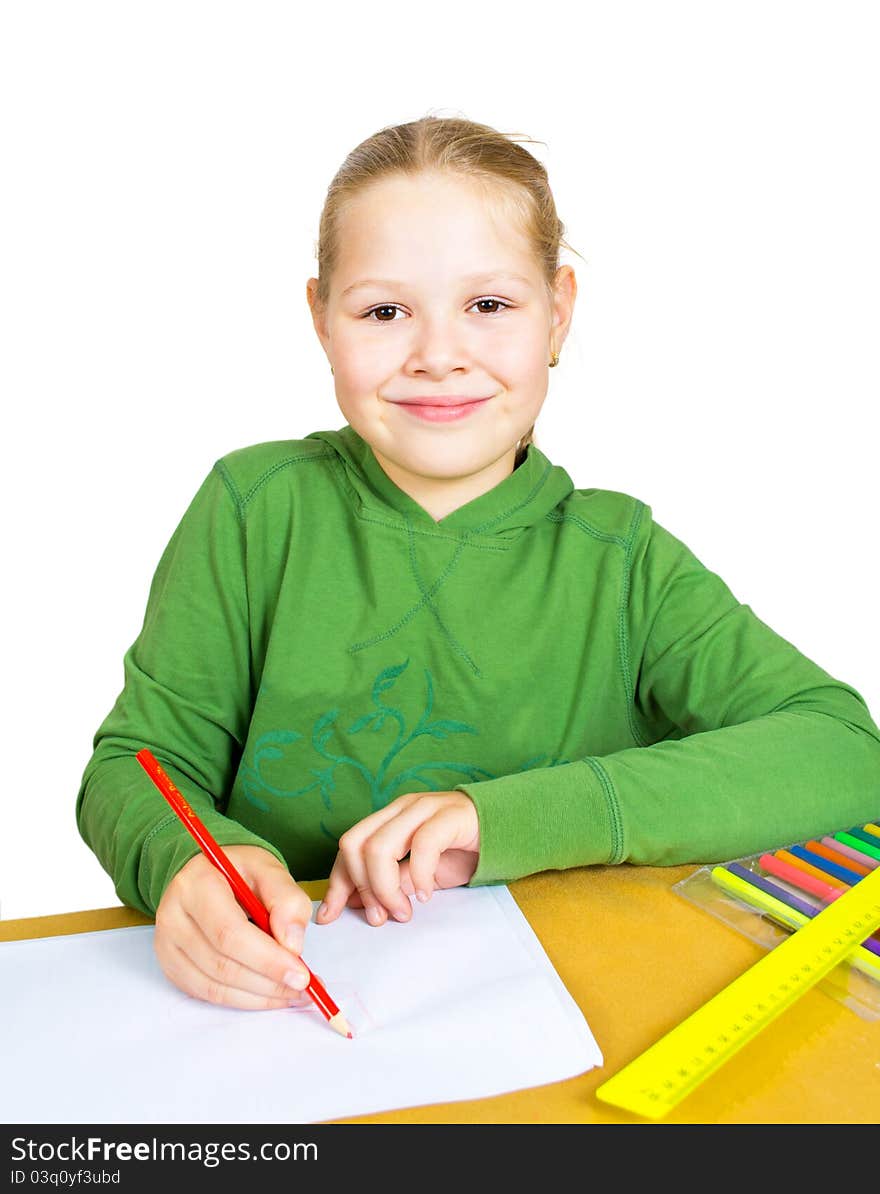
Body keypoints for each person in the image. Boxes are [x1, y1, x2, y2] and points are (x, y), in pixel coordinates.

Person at [76, 113, 880, 1013]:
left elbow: (847, 753)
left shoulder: (621, 561)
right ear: (320, 319)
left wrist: (505, 817)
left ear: (558, 313)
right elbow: (136, 766)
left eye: (488, 306)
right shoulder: (257, 509)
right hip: (280, 1012)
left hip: (555, 1017)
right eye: (385, 311)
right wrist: (185, 864)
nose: (438, 355)